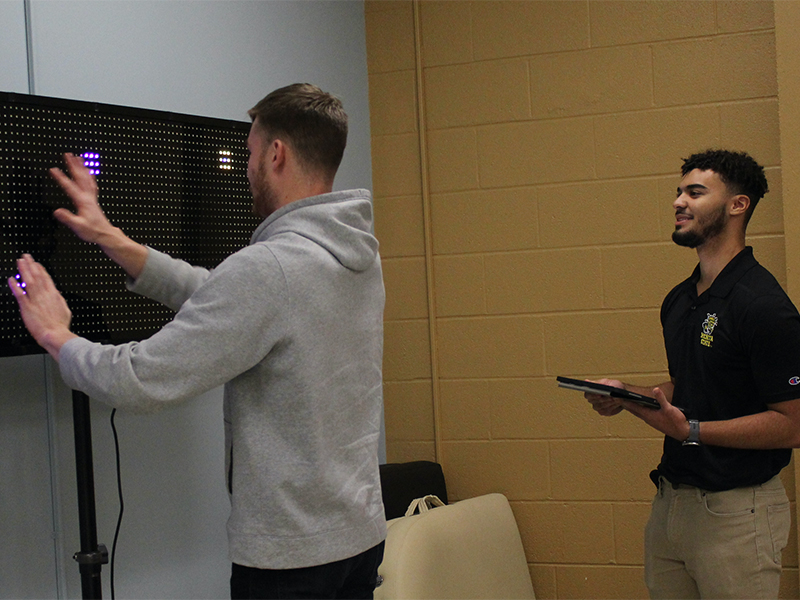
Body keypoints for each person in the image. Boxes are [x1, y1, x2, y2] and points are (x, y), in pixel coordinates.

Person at [8, 83, 387, 599]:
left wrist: (57, 336)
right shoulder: (353, 254)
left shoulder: (271, 268)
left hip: (293, 560)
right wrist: (109, 238)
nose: (246, 169)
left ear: (276, 154)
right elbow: (226, 299)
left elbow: (138, 379)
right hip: (358, 537)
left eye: (251, 153)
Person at [584, 149, 800, 599]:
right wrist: (629, 395)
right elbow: (695, 384)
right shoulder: (680, 300)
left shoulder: (763, 305)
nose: (679, 202)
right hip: (671, 505)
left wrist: (694, 430)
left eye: (695, 192)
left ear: (737, 205)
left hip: (738, 512)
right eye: (678, 192)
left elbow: (793, 423)